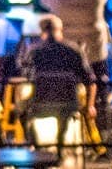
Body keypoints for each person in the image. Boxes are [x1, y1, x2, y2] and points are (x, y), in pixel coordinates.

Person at [22, 13, 95, 146]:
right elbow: (90, 81)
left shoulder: (34, 52)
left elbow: (26, 77)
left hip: (40, 104)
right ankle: (60, 144)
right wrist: (90, 105)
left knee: (21, 110)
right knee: (64, 112)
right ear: (60, 29)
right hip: (69, 104)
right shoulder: (73, 50)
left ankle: (35, 146)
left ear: (42, 32)